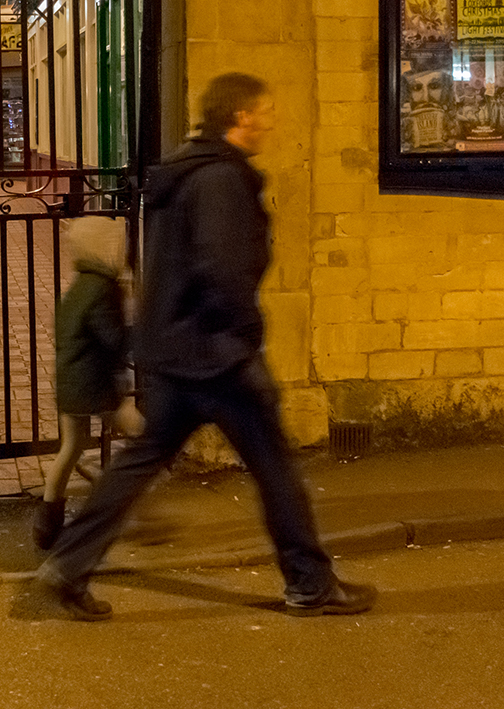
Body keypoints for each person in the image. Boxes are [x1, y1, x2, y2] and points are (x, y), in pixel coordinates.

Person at [36, 72, 377, 621]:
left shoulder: (183, 169)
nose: (271, 120)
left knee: (139, 462)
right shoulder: (221, 178)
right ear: (240, 116)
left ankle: (68, 563)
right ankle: (310, 583)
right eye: (265, 110)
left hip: (172, 346)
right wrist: (244, 336)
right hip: (217, 353)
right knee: (275, 469)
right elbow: (223, 268)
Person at [34, 215, 145, 551]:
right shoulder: (102, 288)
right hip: (96, 386)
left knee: (70, 448)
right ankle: (128, 510)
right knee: (144, 440)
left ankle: (46, 522)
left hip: (71, 381)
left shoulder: (80, 285)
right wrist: (140, 330)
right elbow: (115, 340)